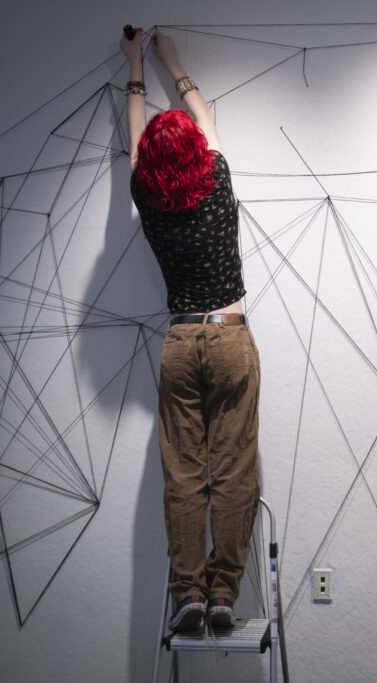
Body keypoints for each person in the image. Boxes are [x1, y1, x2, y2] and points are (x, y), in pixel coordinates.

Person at [120, 28, 261, 633]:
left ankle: (187, 595)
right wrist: (170, 61)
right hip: (229, 336)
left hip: (179, 343)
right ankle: (225, 593)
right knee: (232, 470)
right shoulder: (218, 179)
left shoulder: (145, 194)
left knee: (183, 474)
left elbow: (134, 141)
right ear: (198, 152)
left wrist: (132, 66)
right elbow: (202, 115)